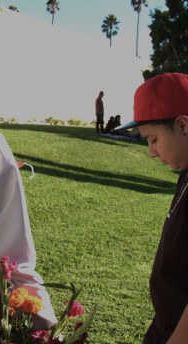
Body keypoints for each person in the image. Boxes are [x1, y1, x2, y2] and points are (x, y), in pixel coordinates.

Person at [114, 72, 188, 344]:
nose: (151, 152)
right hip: (164, 327)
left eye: (153, 139)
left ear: (183, 126)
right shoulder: (185, 174)